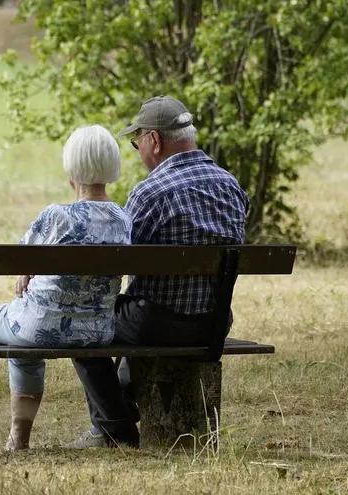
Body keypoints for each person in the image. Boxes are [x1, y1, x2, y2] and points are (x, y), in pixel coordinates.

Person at [64, 95, 250, 449]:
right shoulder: (232, 186)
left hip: (157, 322)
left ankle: (114, 428)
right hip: (214, 323)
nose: (138, 151)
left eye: (137, 143)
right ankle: (122, 408)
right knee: (134, 310)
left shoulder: (150, 193)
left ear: (155, 140)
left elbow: (119, 262)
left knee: (81, 321)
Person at [0, 124, 133, 452]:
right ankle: (17, 440)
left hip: (38, 326)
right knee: (23, 341)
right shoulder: (123, 219)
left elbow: (19, 260)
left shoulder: (56, 216)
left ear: (71, 171)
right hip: (96, 331)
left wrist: (27, 270)